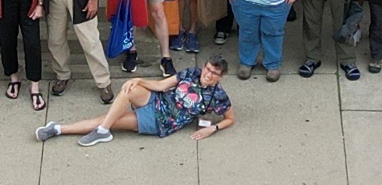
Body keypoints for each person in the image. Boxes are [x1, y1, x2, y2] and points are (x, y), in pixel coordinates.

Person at [35, 59, 235, 146]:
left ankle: (58, 129)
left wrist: (213, 129)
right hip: (157, 99)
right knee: (128, 89)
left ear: (221, 76)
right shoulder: (192, 73)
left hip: (161, 120)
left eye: (214, 73)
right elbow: (161, 85)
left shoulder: (217, 95)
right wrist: (138, 80)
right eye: (208, 69)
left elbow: (230, 118)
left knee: (106, 118)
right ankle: (103, 131)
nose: (208, 74)